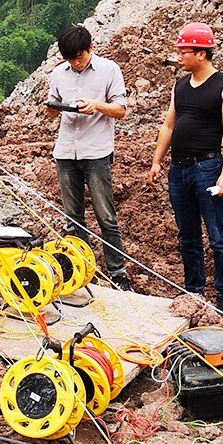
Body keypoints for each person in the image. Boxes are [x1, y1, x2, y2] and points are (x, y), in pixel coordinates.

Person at [147, 22, 223, 318]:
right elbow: (168, 124)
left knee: (217, 236)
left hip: (208, 167)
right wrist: (156, 161)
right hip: (180, 169)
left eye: (183, 51)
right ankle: (194, 291)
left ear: (201, 53)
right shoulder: (180, 86)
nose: (179, 56)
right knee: (187, 235)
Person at [43, 25, 133, 292]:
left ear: (90, 49)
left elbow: (121, 109)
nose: (75, 62)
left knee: (106, 216)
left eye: (79, 57)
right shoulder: (59, 73)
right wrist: (52, 109)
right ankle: (82, 272)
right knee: (73, 218)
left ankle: (118, 273)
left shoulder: (109, 70)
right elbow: (51, 109)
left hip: (96, 152)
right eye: (70, 58)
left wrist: (96, 106)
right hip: (65, 153)